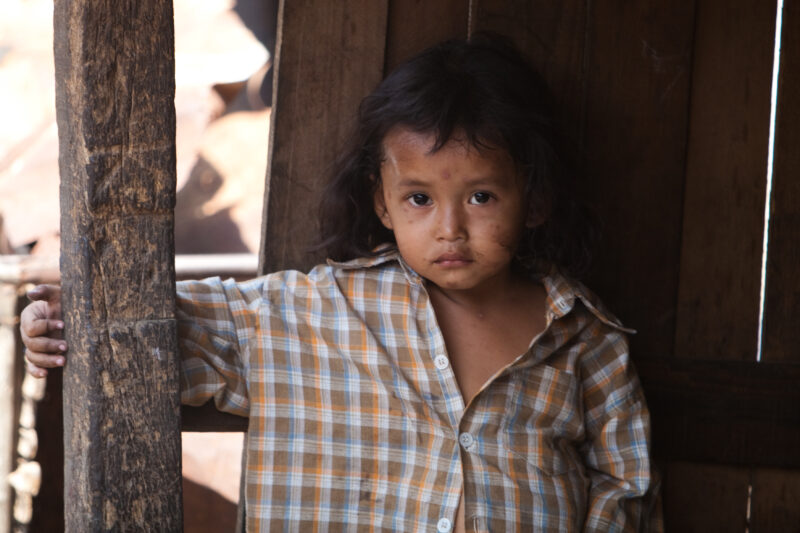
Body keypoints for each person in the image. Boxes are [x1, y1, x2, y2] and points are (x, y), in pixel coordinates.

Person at [21, 35, 660, 532]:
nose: (450, 229)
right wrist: (63, 321)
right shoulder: (310, 313)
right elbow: (155, 325)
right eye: (418, 198)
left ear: (535, 200)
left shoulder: (584, 340)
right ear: (382, 204)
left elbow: (625, 493)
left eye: (482, 196)